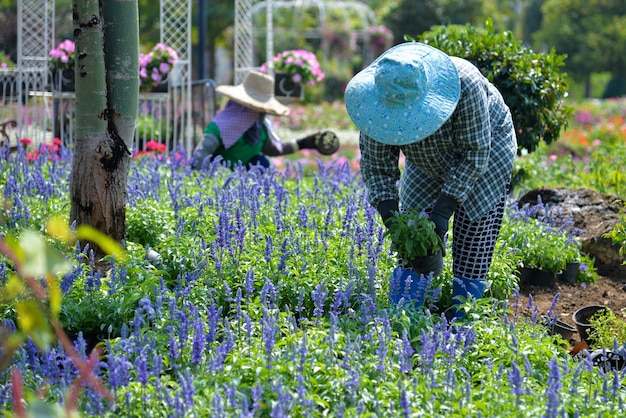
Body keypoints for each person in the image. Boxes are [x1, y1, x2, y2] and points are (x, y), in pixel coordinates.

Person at [344, 42, 517, 319]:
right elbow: (377, 167)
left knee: (475, 226)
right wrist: (395, 225)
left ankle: (464, 317)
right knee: (414, 224)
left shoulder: (466, 85)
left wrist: (441, 213)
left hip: (486, 148)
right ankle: (404, 316)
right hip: (424, 157)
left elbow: (474, 154)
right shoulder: (378, 100)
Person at [191, 70, 339, 170]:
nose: (261, 114)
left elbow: (272, 149)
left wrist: (304, 143)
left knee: (261, 163)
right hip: (217, 181)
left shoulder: (258, 128)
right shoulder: (221, 127)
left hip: (243, 185)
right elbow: (201, 154)